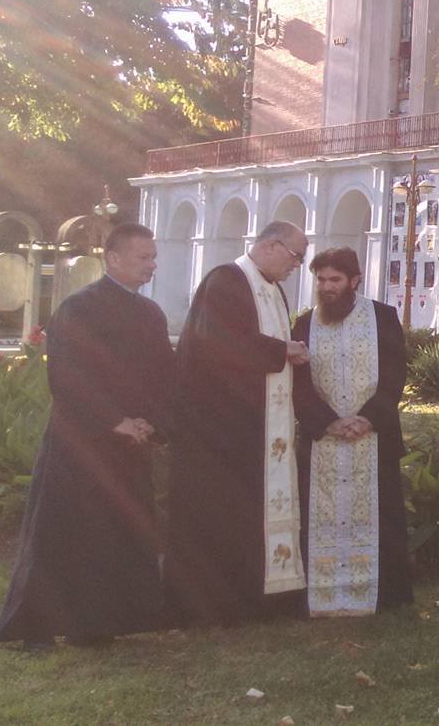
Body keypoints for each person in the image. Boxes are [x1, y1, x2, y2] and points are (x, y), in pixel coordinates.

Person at [0, 223, 173, 650]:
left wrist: (151, 421)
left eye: (153, 257)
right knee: (60, 532)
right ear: (113, 258)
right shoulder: (78, 308)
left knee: (114, 533)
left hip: (129, 445)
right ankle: (36, 629)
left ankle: (95, 623)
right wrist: (114, 420)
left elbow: (164, 377)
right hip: (80, 439)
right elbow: (67, 374)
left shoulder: (151, 313)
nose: (152, 265)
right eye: (143, 257)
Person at [166, 221, 312, 626]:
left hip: (258, 427)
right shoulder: (226, 281)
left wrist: (286, 352)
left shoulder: (272, 289)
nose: (297, 266)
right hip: (219, 426)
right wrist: (282, 350)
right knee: (219, 514)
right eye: (295, 256)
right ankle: (212, 604)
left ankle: (260, 596)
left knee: (250, 511)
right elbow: (218, 343)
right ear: (270, 245)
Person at [289, 247, 412, 615]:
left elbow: (395, 375)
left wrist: (367, 418)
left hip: (373, 438)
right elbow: (298, 384)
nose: (326, 287)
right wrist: (328, 420)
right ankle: (318, 594)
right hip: (322, 441)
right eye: (321, 279)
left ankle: (380, 594)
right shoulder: (304, 324)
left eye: (335, 280)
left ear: (354, 280)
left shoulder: (383, 317)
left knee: (381, 517)